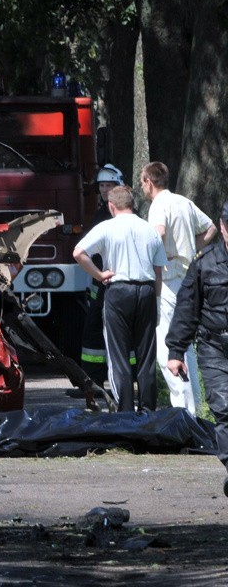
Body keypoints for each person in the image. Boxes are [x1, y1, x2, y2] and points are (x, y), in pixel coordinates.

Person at [73, 186, 167, 412]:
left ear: (111, 206)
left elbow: (78, 252)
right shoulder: (150, 229)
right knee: (146, 356)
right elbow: (158, 271)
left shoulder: (107, 227)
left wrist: (99, 274)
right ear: (133, 204)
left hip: (118, 291)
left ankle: (125, 413)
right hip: (145, 291)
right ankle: (148, 412)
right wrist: (156, 300)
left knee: (119, 355)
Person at [142, 161, 217, 414]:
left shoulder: (158, 205)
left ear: (149, 182)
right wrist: (192, 249)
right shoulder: (183, 201)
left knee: (167, 344)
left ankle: (182, 411)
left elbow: (159, 233)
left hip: (169, 278)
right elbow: (211, 228)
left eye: (142, 182)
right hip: (188, 274)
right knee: (185, 343)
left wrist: (155, 261)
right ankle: (194, 405)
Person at [166, 200, 228, 497]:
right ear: (222, 225)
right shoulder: (204, 262)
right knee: (224, 408)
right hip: (215, 346)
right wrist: (176, 352)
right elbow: (187, 309)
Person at [79, 164, 124, 390]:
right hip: (100, 282)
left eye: (110, 185)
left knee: (114, 333)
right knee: (93, 333)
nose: (105, 190)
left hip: (113, 281)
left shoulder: (117, 215)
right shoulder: (100, 214)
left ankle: (122, 381)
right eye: (102, 186)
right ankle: (93, 382)